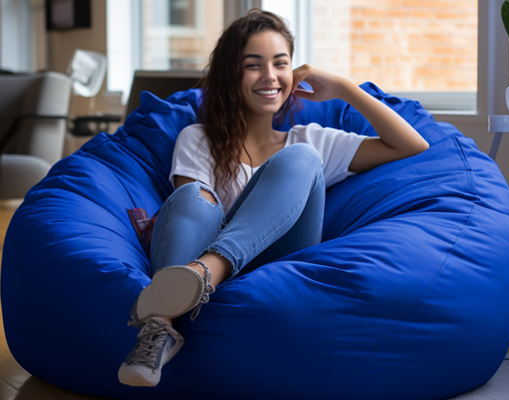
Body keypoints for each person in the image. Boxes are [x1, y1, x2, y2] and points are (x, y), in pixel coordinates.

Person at [118, 9, 429, 387]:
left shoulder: (310, 140)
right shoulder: (197, 138)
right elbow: (193, 216)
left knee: (300, 159)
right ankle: (159, 327)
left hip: (276, 264)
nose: (270, 76)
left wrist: (345, 87)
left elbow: (412, 144)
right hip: (198, 257)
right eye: (253, 65)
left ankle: (200, 277)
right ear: (231, 75)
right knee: (192, 196)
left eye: (280, 63)